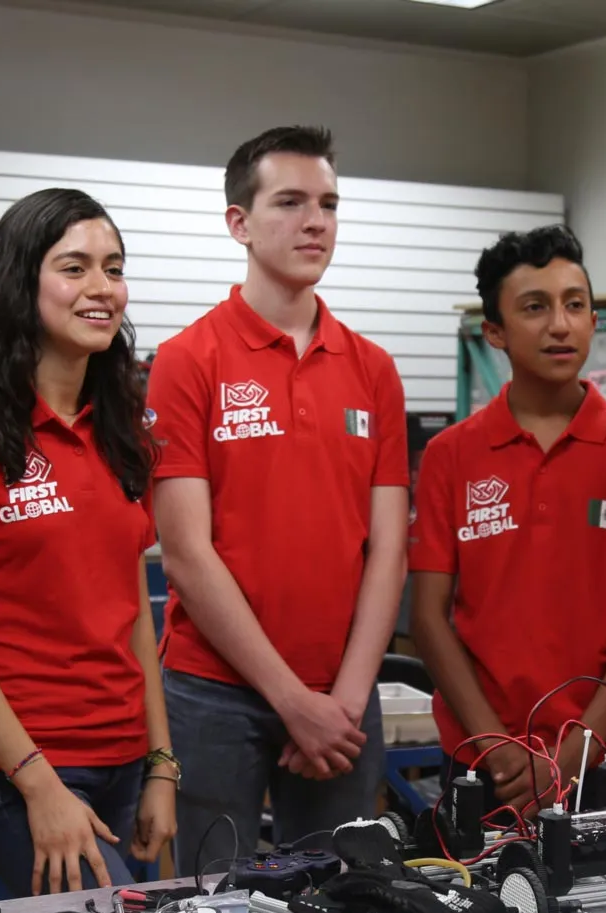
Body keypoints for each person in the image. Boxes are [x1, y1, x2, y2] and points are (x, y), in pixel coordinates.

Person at [146, 126, 409, 871]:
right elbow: (188, 556)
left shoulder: (374, 370)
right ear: (240, 222)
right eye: (289, 202)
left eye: (327, 203)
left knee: (347, 908)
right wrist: (293, 701)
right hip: (214, 694)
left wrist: (344, 701)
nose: (315, 221)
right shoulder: (186, 361)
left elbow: (388, 551)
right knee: (207, 911)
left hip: (344, 696)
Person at [0, 189, 177, 896]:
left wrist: (160, 765)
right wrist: (39, 784)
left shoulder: (123, 427)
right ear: (20, 284)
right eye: (74, 267)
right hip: (21, 769)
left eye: (113, 269)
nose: (101, 289)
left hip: (123, 763)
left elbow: (132, 612)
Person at [410, 226, 606, 817]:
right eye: (535, 308)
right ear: (496, 333)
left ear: (592, 319)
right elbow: (428, 616)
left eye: (574, 304)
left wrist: (577, 749)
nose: (560, 324)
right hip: (484, 761)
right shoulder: (451, 456)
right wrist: (495, 747)